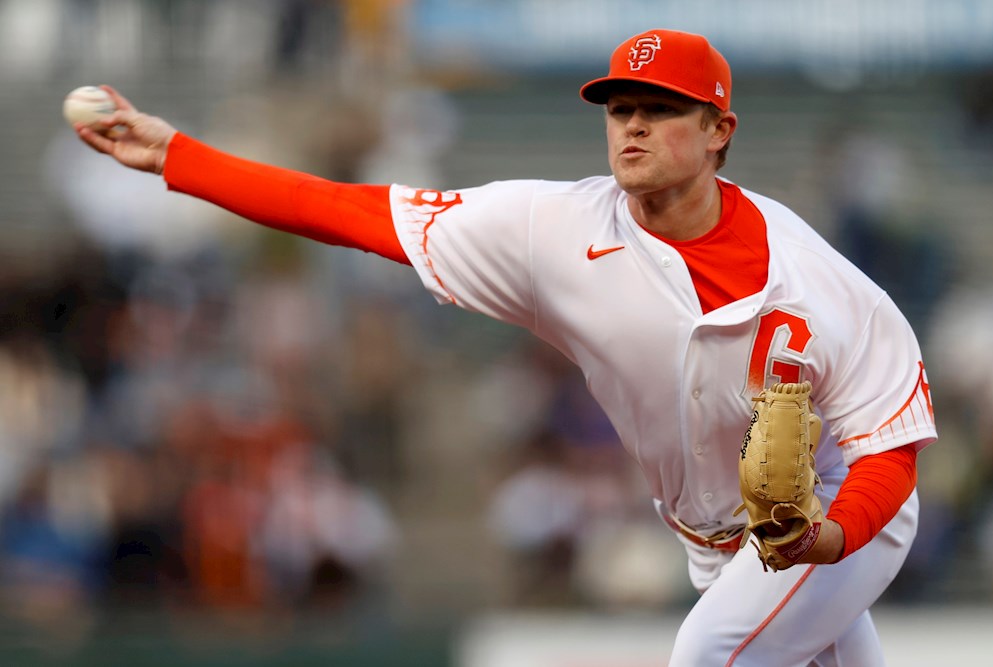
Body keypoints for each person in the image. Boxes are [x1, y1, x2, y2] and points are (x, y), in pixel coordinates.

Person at [74, 29, 936, 667]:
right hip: (713, 537)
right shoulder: (551, 229)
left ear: (719, 130)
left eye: (661, 110)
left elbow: (891, 452)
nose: (632, 127)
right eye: (620, 109)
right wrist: (179, 157)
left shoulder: (820, 284)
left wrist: (828, 537)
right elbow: (355, 213)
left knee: (709, 653)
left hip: (837, 512)